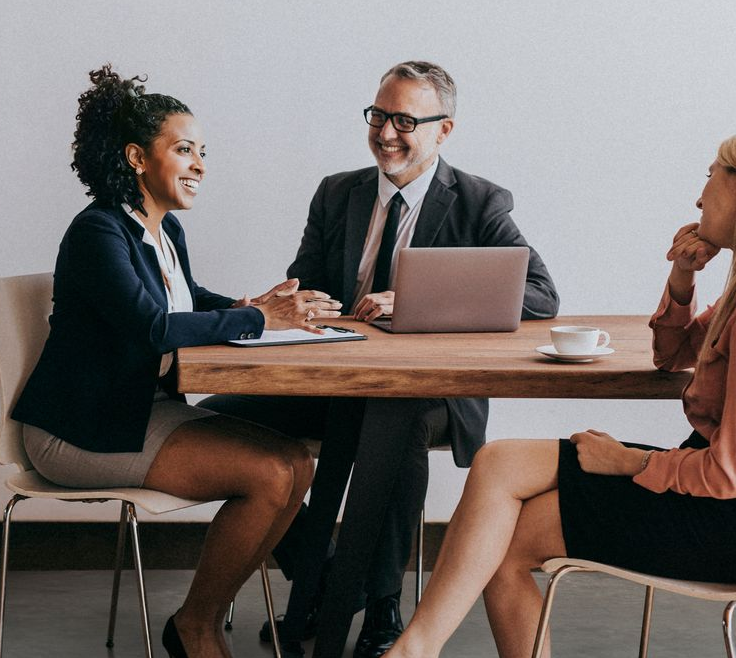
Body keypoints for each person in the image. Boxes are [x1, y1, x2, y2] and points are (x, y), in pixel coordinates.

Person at [381, 124, 736, 658]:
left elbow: (730, 474)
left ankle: (413, 650)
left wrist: (627, 462)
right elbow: (674, 354)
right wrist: (682, 276)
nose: (699, 195)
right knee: (498, 463)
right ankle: (415, 649)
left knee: (505, 545)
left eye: (711, 176)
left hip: (735, 522)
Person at [198, 61, 557, 658]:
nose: (387, 133)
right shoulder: (337, 192)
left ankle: (385, 605)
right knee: (216, 423)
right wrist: (294, 300)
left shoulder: (477, 201)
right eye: (379, 115)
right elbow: (305, 282)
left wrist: (419, 300)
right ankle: (335, 575)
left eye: (405, 121)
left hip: (433, 394)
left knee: (401, 425)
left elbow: (541, 295)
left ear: (443, 131)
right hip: (338, 380)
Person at [10, 65, 344, 658]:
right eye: (184, 149)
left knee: (295, 461)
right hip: (77, 431)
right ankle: (196, 627)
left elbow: (188, 300)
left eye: (202, 152)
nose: (200, 165)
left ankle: (212, 614)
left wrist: (257, 305)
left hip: (139, 412)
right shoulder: (97, 232)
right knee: (268, 474)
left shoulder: (164, 234)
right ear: (138, 157)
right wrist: (261, 319)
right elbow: (153, 327)